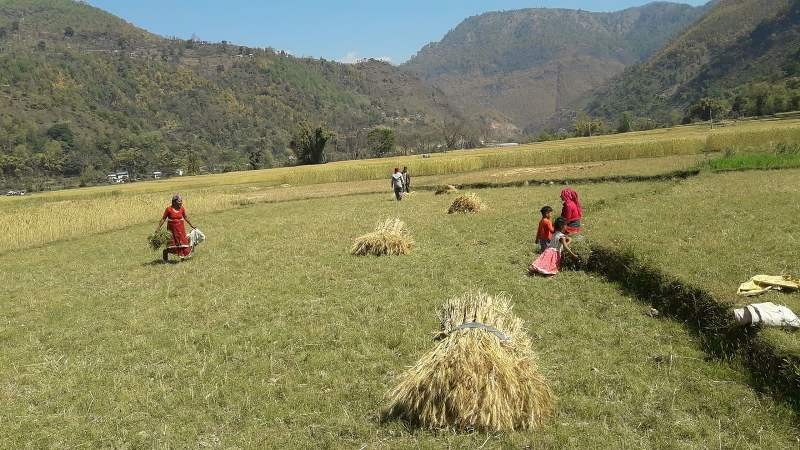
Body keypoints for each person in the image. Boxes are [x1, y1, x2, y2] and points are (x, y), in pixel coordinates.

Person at [155, 194, 196, 262]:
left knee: (182, 243)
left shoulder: (182, 208)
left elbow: (185, 217)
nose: (181, 202)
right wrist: (158, 228)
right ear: (174, 202)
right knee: (173, 244)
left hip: (181, 230)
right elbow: (163, 219)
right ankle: (166, 252)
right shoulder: (169, 209)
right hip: (172, 231)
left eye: (181, 201)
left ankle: (182, 259)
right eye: (179, 201)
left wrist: (191, 225)